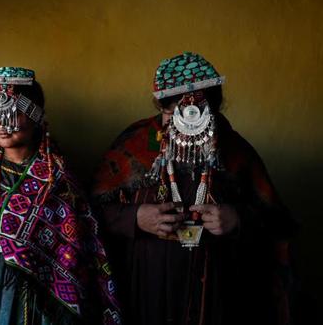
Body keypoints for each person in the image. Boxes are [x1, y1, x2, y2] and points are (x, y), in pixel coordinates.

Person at [91, 52, 298, 325]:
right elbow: (88, 211)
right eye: (174, 112)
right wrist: (135, 218)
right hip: (147, 289)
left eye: (198, 116)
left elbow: (276, 221)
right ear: (161, 107)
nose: (186, 126)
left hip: (220, 294)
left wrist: (237, 218)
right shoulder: (133, 146)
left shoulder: (236, 151)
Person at [0, 67, 122, 325]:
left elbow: (75, 239)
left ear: (36, 117)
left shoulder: (58, 176)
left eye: (12, 114)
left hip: (41, 288)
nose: (2, 126)